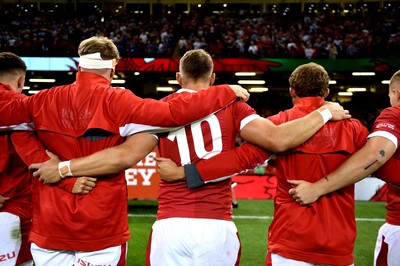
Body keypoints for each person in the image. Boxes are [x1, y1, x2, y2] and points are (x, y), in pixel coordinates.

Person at [30, 52, 349, 266]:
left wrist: (64, 166)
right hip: (216, 226)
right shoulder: (233, 107)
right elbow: (275, 142)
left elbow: (125, 156)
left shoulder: (157, 111)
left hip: (170, 226)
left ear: (179, 78)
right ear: (213, 80)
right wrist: (326, 111)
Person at [0, 36, 250, 266]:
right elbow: (174, 114)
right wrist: (225, 92)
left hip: (50, 227)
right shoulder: (119, 100)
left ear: (79, 66)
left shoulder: (41, 101)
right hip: (101, 226)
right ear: (112, 69)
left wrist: (48, 165)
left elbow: (14, 126)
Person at [156, 62, 369, 265]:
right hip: (339, 242)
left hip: (291, 240)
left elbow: (241, 158)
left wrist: (186, 173)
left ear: (292, 91)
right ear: (326, 93)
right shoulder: (354, 128)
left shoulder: (278, 124)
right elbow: (375, 160)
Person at [288, 69, 400, 266]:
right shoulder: (355, 127)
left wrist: (317, 188)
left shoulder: (395, 114)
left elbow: (375, 156)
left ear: (396, 94)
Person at [0, 52, 96, 266]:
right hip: (11, 208)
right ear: (20, 80)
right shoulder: (20, 106)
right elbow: (31, 151)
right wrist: (67, 179)